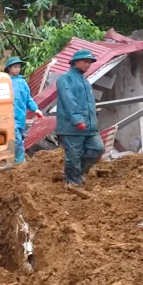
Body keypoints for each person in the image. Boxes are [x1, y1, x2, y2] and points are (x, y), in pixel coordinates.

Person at [55, 49, 104, 187]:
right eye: (85, 62)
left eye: (89, 62)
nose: (88, 65)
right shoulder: (65, 79)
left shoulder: (85, 80)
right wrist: (77, 119)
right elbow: (68, 100)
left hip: (89, 126)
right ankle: (72, 182)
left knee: (97, 149)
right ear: (75, 62)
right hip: (72, 127)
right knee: (73, 155)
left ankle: (76, 174)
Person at [5, 57, 43, 164]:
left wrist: (36, 109)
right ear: (9, 68)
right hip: (9, 117)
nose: (17, 69)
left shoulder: (22, 82)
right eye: (15, 67)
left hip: (21, 117)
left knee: (18, 140)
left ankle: (13, 161)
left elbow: (28, 99)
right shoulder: (5, 82)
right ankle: (20, 162)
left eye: (19, 67)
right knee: (17, 141)